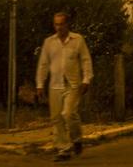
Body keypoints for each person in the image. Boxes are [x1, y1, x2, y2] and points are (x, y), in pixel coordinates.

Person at [36, 12, 93, 162]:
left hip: (73, 84)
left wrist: (86, 79)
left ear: (67, 25)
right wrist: (40, 84)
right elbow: (43, 64)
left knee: (68, 113)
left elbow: (86, 60)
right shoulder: (49, 42)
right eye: (56, 24)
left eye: (61, 24)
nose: (59, 27)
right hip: (55, 84)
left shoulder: (77, 40)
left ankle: (77, 138)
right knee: (56, 118)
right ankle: (64, 148)